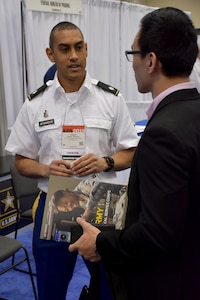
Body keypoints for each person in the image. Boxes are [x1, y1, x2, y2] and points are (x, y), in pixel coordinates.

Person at [69, 7, 200, 300]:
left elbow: (157, 234)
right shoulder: (192, 110)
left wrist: (102, 243)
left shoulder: (163, 131)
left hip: (168, 280)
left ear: (151, 60)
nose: (133, 64)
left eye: (134, 55)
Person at [5, 21, 139, 300]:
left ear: (87, 49)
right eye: (64, 49)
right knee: (51, 289)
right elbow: (20, 160)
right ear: (51, 54)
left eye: (78, 47)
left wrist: (106, 162)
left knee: (111, 288)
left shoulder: (110, 99)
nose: (73, 55)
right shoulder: (34, 104)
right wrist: (45, 168)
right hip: (55, 203)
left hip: (103, 203)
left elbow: (131, 152)